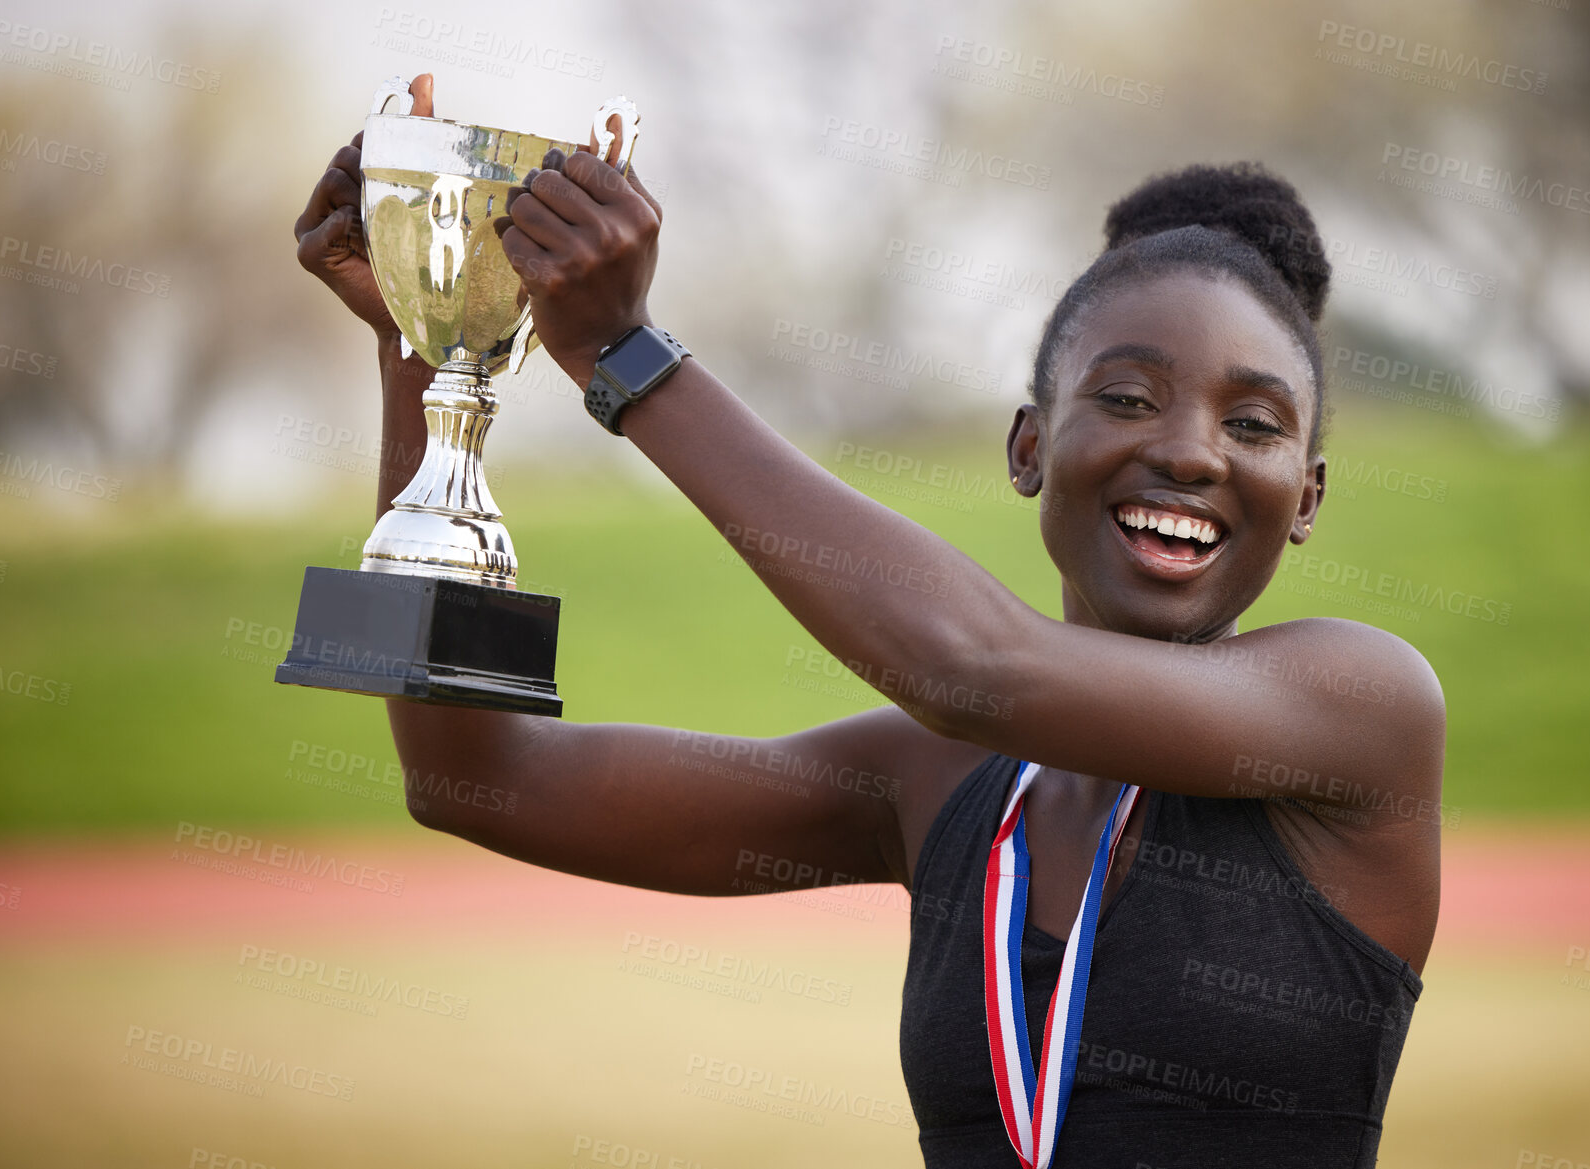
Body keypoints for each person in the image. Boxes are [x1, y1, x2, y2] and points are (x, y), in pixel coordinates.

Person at [294, 73, 1445, 1169]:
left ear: (1304, 497)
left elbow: (968, 662)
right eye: (1127, 397)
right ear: (1028, 447)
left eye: (1253, 423)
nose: (1190, 450)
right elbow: (475, 776)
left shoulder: (1359, 707)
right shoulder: (935, 780)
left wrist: (625, 359)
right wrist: (424, 343)